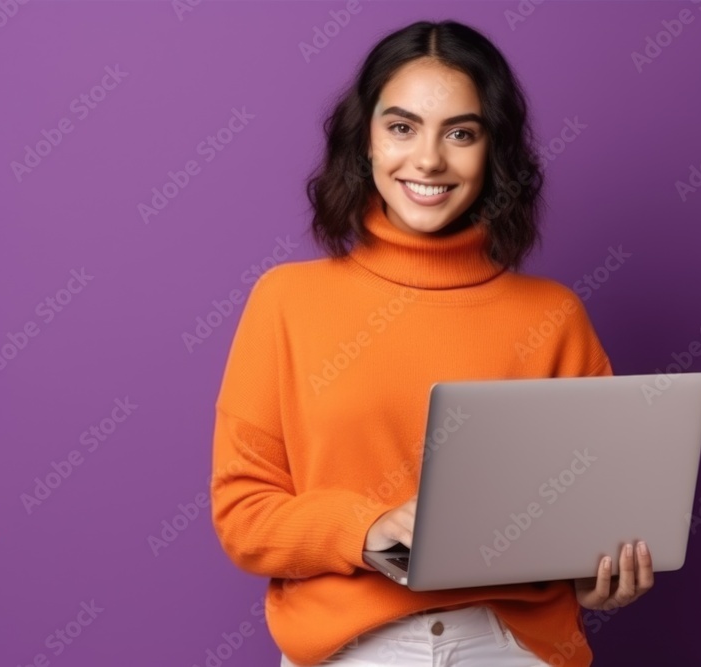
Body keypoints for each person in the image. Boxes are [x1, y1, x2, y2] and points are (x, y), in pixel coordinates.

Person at [210, 19, 654, 667]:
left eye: (460, 133)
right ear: (364, 140)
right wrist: (366, 527)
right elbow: (244, 514)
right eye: (402, 127)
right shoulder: (286, 300)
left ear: (494, 151)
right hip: (349, 651)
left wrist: (598, 574)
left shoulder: (553, 316)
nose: (428, 160)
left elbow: (589, 516)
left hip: (512, 648)